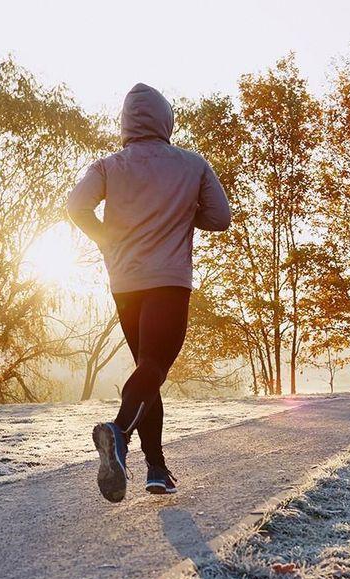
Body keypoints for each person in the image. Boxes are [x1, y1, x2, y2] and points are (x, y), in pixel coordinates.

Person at [66, 83, 231, 503]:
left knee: (147, 369)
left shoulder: (108, 166)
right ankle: (118, 433)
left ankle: (156, 468)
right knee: (155, 366)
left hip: (125, 282)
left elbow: (76, 207)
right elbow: (220, 218)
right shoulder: (192, 165)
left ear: (125, 123)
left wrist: (108, 240)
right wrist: (183, 211)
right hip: (169, 280)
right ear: (166, 120)